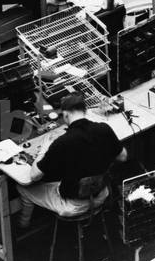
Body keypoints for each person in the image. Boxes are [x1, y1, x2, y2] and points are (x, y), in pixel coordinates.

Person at [16, 93, 126, 228]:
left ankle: (22, 226)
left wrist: (44, 150)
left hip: (74, 205)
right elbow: (123, 156)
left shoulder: (62, 143)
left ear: (66, 115)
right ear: (85, 111)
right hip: (101, 194)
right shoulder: (104, 129)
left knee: (22, 187)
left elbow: (34, 175)